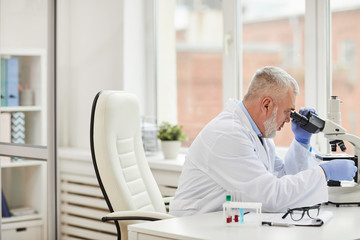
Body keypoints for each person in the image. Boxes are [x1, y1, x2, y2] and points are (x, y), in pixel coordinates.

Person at [169, 66, 357, 217]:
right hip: (194, 228)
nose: (289, 119)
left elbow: (283, 177)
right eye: (287, 112)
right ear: (266, 104)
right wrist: (325, 172)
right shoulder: (228, 134)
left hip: (224, 225)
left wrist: (301, 142)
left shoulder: (258, 133)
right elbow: (272, 197)